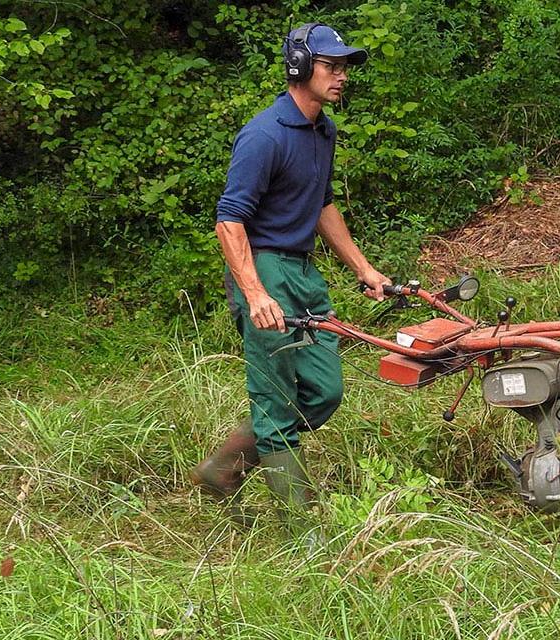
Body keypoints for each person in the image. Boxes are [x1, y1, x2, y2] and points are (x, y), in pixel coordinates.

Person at [193, 22, 390, 534]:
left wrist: (364, 269)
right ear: (300, 67)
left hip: (303, 271)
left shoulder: (323, 129)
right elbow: (228, 219)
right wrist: (255, 293)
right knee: (276, 399)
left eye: (345, 67)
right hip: (265, 269)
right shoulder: (264, 134)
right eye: (331, 66)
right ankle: (303, 535)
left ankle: (222, 468)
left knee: (324, 391)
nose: (341, 76)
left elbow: (322, 204)